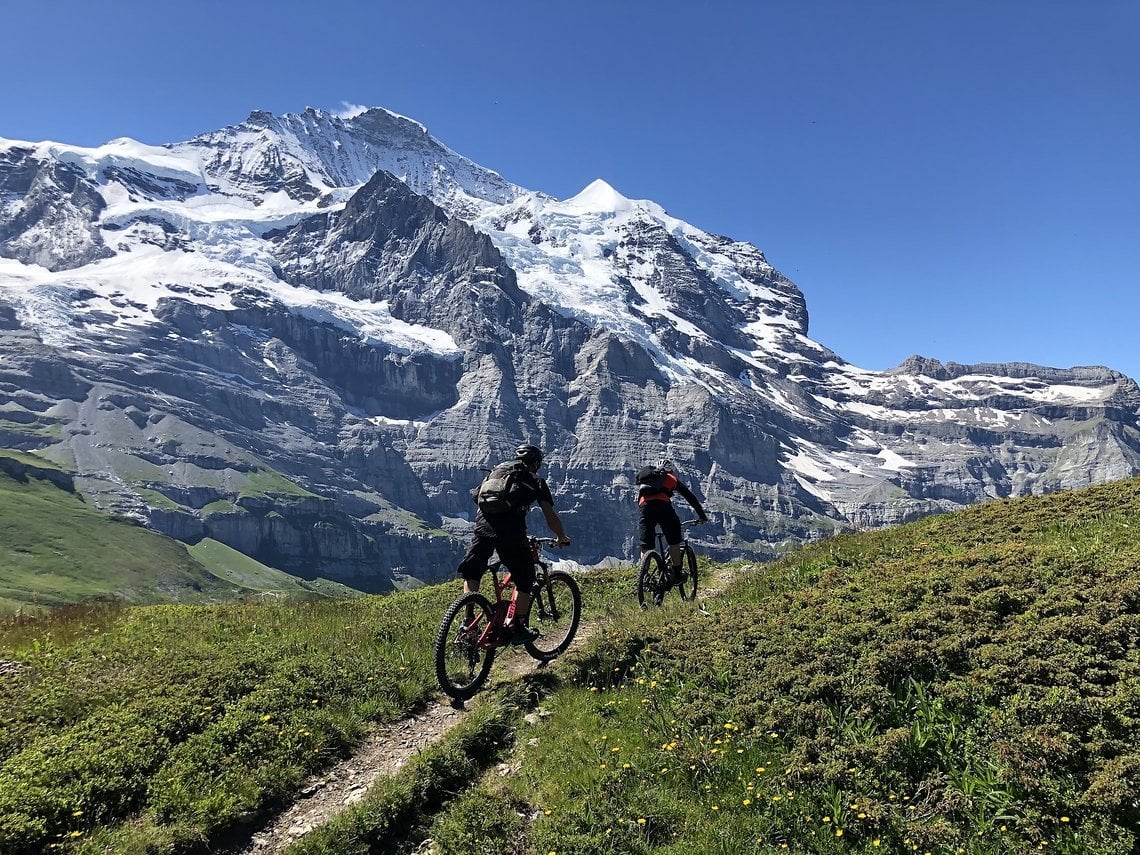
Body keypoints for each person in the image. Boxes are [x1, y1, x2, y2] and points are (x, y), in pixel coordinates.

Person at [457, 444, 571, 644]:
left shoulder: (496, 471)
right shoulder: (535, 480)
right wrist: (561, 535)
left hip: (482, 527)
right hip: (510, 532)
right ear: (535, 463)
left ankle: (467, 622)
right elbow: (549, 515)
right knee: (526, 577)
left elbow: (477, 496)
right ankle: (518, 626)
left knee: (472, 570)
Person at [636, 458, 708, 582]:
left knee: (646, 546)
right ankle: (677, 574)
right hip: (663, 506)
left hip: (645, 507)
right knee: (674, 542)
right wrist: (702, 515)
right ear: (671, 470)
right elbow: (690, 498)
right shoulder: (671, 478)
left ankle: (644, 576)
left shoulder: (647, 477)